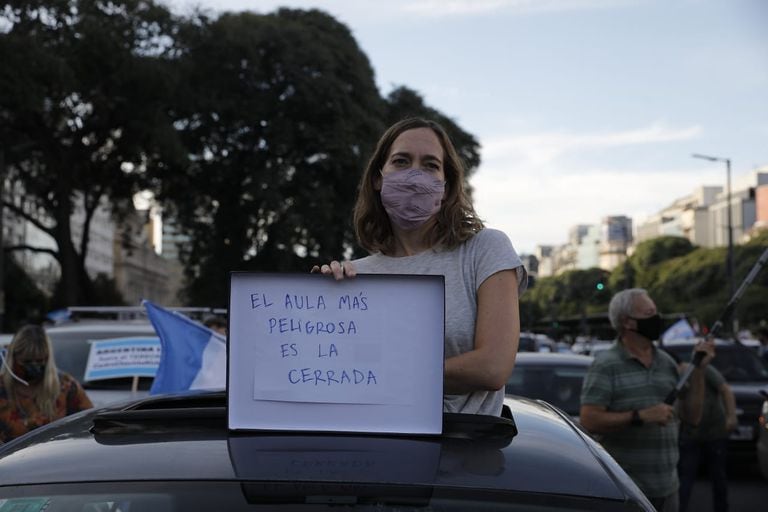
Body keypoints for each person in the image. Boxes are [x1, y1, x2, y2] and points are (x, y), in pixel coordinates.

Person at [312, 117, 527, 415]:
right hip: (376, 445)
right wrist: (317, 301)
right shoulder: (355, 277)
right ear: (378, 178)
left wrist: (382, 374)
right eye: (401, 161)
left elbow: (492, 368)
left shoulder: (484, 250)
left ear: (446, 185)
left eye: (430, 165)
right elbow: (331, 374)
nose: (415, 175)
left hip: (466, 452)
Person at [580, 288, 713, 512]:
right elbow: (589, 419)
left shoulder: (667, 362)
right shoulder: (606, 365)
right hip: (625, 492)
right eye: (650, 313)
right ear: (628, 323)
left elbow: (693, 417)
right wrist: (640, 416)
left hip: (669, 489)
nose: (657, 318)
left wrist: (698, 370)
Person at [0, 324, 93, 443]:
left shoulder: (66, 386)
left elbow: (88, 424)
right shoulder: (1, 388)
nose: (34, 366)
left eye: (40, 361)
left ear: (48, 358)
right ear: (12, 359)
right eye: (27, 361)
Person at [676, 361, 736, 512]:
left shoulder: (703, 370)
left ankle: (721, 508)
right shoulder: (675, 375)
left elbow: (725, 390)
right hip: (691, 433)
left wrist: (731, 416)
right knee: (685, 476)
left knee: (718, 476)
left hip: (714, 431)